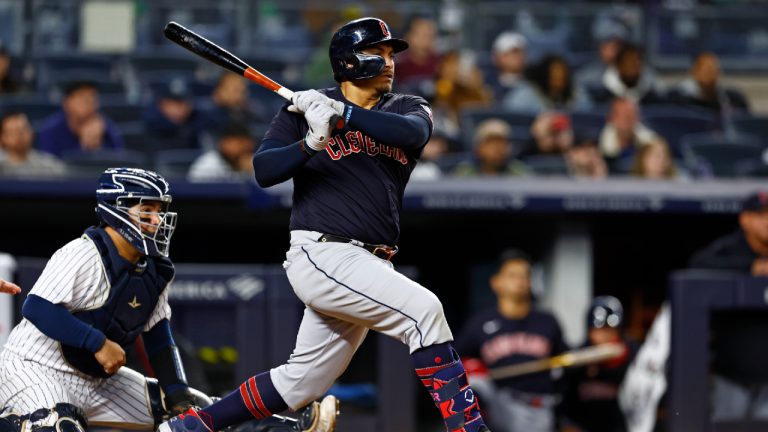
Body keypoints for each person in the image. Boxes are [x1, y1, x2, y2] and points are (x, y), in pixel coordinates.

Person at [160, 17, 490, 432]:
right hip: (323, 251)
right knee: (424, 313)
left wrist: (342, 112)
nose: (389, 62)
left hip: (370, 263)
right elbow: (265, 169)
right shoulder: (303, 109)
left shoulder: (405, 107)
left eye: (391, 54)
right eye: (378, 52)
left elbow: (410, 134)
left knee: (299, 384)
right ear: (349, 62)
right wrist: (311, 142)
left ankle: (192, 427)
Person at [0, 167, 332, 432]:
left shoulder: (154, 269)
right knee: (56, 425)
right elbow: (37, 308)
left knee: (195, 414)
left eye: (159, 210)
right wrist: (97, 342)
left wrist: (177, 393)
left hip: (97, 380)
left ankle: (287, 429)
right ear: (117, 211)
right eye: (147, 210)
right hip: (35, 367)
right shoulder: (83, 252)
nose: (157, 220)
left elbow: (158, 337)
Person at [455, 249, 568, 432]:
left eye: (525, 275)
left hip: (539, 408)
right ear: (496, 282)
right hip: (499, 403)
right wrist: (470, 368)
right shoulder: (481, 323)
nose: (520, 281)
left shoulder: (547, 321)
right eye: (512, 275)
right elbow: (452, 361)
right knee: (475, 383)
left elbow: (566, 362)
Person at [688, 191, 768, 421]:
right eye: (761, 215)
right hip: (732, 375)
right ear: (745, 219)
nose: (767, 221)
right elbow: (697, 266)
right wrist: (749, 268)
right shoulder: (729, 250)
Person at [560, 296, 639, 432]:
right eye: (599, 330)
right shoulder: (578, 357)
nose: (605, 336)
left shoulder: (633, 355)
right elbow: (564, 408)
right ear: (589, 331)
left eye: (610, 330)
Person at [36, 81, 124, 157]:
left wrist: (96, 147)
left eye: (93, 98)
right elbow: (49, 170)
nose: (89, 103)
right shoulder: (51, 130)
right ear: (67, 103)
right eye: (83, 98)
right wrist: (83, 148)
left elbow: (117, 164)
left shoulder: (106, 127)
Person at [503, 55, 593, 114]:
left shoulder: (577, 94)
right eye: (554, 76)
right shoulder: (525, 94)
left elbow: (587, 117)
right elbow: (513, 116)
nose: (558, 79)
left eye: (562, 75)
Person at [669, 51, 750, 115]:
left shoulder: (732, 101)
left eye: (713, 70)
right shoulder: (678, 101)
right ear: (694, 72)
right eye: (706, 71)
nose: (710, 75)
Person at [590, 43, 666, 106]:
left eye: (638, 62)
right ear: (618, 65)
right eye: (629, 62)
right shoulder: (598, 97)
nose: (634, 66)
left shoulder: (654, 95)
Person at [598, 98, 658, 173]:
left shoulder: (650, 143)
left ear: (638, 118)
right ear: (610, 118)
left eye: (631, 115)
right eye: (622, 115)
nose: (626, 119)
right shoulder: (597, 146)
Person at [0, 111, 67, 177]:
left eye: (23, 130)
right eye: (13, 132)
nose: (19, 136)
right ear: (2, 137)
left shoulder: (51, 167)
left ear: (31, 132)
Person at [453, 118, 528, 177]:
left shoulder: (518, 172)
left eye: (502, 143)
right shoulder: (465, 172)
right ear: (478, 147)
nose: (497, 149)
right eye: (490, 143)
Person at [143, 78, 202, 150]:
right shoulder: (151, 123)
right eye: (172, 104)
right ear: (160, 104)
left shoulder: (198, 120)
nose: (178, 110)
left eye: (183, 103)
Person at [188, 122, 256, 182]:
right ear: (224, 143)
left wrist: (250, 173)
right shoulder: (206, 165)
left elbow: (264, 193)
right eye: (239, 143)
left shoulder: (255, 163)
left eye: (246, 143)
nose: (244, 147)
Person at [487, 32, 527, 104]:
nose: (515, 57)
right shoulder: (486, 86)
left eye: (519, 52)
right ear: (496, 57)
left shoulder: (533, 85)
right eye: (508, 53)